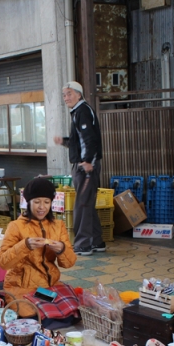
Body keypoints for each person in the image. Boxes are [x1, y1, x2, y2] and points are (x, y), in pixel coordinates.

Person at [0, 177, 77, 321]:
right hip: (21, 287)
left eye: (46, 202)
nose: (42, 207)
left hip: (49, 287)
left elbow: (69, 263)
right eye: (37, 202)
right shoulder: (16, 226)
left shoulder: (58, 226)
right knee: (33, 315)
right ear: (28, 202)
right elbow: (3, 262)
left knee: (73, 309)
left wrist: (61, 249)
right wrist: (25, 245)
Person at [53, 81, 105, 256]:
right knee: (87, 203)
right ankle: (97, 241)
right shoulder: (78, 112)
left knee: (82, 204)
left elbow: (89, 139)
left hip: (86, 167)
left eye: (69, 94)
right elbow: (79, 141)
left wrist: (88, 161)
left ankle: (83, 244)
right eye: (64, 95)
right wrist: (65, 141)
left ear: (79, 94)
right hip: (84, 164)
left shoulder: (82, 111)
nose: (66, 98)